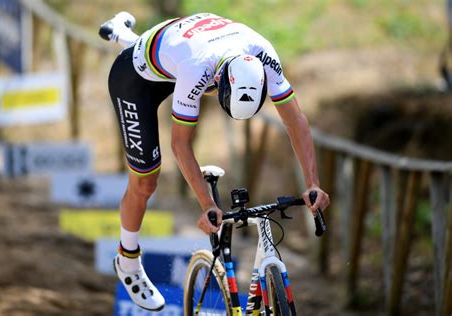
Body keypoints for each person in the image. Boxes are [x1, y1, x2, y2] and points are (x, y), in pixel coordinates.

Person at [99, 11, 330, 311]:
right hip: (137, 81)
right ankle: (127, 260)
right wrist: (207, 203)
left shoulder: (263, 57)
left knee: (174, 63)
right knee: (145, 181)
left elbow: (296, 121)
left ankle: (123, 34)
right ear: (221, 82)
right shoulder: (199, 69)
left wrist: (312, 182)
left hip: (182, 48)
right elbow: (180, 145)